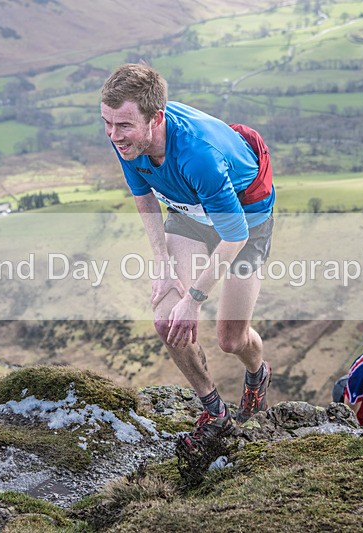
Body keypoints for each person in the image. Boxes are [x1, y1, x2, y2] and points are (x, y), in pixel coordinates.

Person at [100, 64, 275, 454]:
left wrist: (194, 299)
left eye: (123, 125)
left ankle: (257, 375)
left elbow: (235, 235)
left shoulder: (200, 157)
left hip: (244, 220)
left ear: (155, 118)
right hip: (190, 212)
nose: (113, 135)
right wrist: (162, 262)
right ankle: (215, 412)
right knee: (166, 319)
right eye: (107, 123)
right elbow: (144, 195)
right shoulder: (128, 139)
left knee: (231, 339)